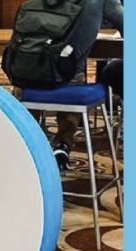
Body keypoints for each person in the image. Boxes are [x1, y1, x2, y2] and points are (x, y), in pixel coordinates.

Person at [48, 0, 123, 170]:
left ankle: (22, 142)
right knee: (76, 79)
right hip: (68, 78)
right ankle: (62, 144)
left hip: (25, 76)